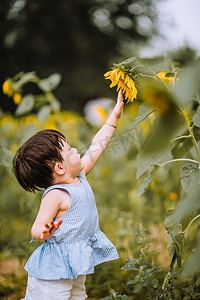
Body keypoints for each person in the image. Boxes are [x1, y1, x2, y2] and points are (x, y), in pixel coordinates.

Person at [13, 90, 124, 300]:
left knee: (78, 295)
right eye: (69, 149)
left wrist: (114, 116)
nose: (75, 149)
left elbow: (97, 145)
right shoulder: (56, 195)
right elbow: (36, 227)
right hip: (54, 269)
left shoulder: (79, 176)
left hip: (76, 261)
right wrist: (44, 231)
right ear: (60, 168)